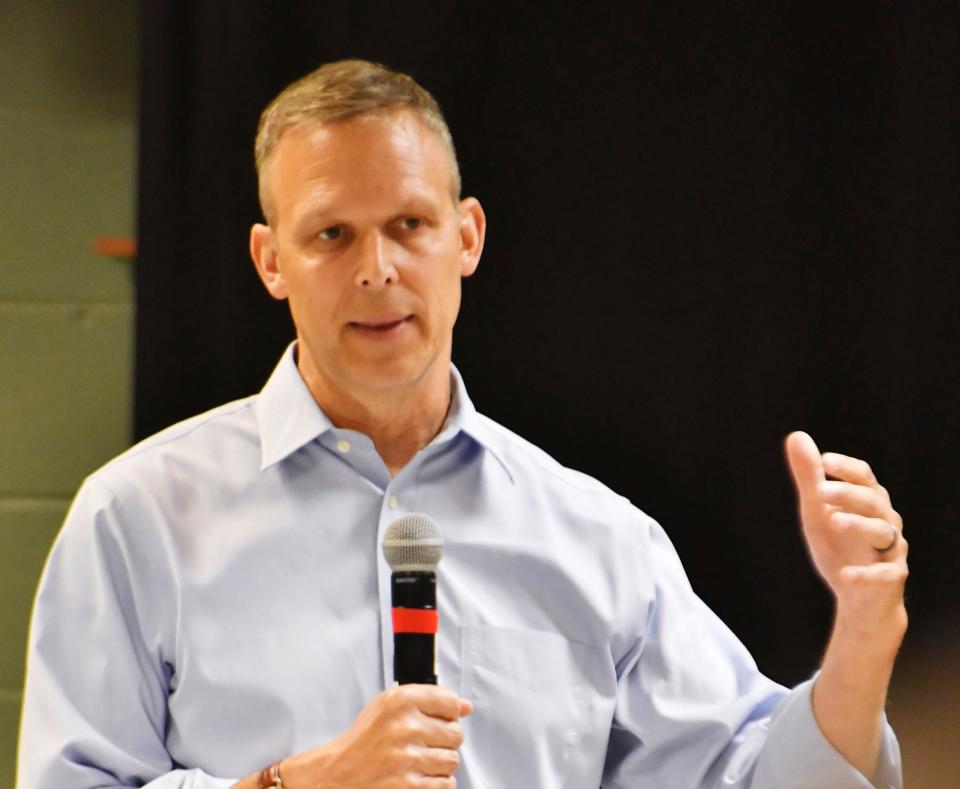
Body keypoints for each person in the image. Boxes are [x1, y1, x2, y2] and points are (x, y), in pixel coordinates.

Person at [18, 59, 907, 788]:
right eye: (331, 235)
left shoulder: (597, 536)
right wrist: (293, 786)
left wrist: (864, 633)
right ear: (270, 260)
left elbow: (750, 777)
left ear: (467, 237)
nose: (377, 269)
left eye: (409, 224)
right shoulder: (134, 519)